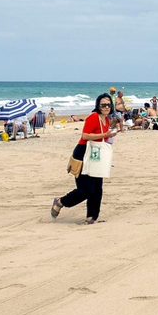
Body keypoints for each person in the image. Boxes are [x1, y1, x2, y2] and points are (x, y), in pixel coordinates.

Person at [53, 93, 117, 224]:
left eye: (108, 105)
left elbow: (100, 138)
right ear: (98, 105)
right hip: (83, 152)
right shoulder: (93, 117)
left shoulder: (106, 119)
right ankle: (60, 201)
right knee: (86, 189)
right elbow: (85, 135)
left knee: (97, 188)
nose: (106, 107)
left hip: (95, 153)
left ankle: (91, 217)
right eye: (103, 105)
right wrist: (105, 134)